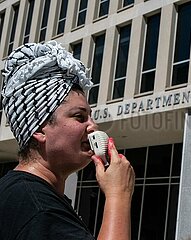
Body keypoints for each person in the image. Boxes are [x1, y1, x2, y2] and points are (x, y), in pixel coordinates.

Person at [0, 41, 135, 239]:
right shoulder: (37, 207)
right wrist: (118, 195)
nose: (93, 126)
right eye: (79, 117)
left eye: (90, 116)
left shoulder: (23, 194)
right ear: (39, 129)